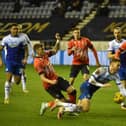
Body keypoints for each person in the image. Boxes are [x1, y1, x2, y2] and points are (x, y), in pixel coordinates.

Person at [41, 59, 126, 119]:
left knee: (79, 108)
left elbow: (121, 87)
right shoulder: (102, 70)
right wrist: (101, 85)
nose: (119, 67)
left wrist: (123, 95)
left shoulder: (116, 76)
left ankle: (61, 107)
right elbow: (91, 80)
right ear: (112, 64)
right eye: (117, 65)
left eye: (119, 65)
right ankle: (60, 104)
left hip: (91, 91)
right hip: (86, 86)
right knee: (86, 108)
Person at [33, 34, 77, 116]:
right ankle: (46, 105)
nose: (43, 49)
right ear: (37, 51)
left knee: (72, 91)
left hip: (57, 79)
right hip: (49, 85)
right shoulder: (37, 63)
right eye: (41, 49)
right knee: (63, 102)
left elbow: (55, 50)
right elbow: (42, 78)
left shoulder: (45, 54)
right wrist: (51, 82)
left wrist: (58, 41)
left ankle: (71, 110)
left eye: (43, 48)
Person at [0, 23, 28, 104]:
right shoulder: (6, 39)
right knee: (8, 79)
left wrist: (25, 58)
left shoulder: (22, 39)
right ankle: (6, 98)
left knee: (17, 82)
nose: (15, 30)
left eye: (16, 29)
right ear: (10, 30)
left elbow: (26, 50)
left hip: (19, 63)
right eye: (14, 29)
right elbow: (0, 49)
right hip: (9, 61)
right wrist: (0, 60)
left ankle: (13, 78)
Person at [11, 24, 33, 93]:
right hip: (15, 57)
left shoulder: (25, 36)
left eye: (20, 29)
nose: (19, 30)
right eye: (18, 29)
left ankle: (24, 88)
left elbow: (29, 43)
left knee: (22, 72)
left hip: (23, 57)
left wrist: (31, 52)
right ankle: (10, 86)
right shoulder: (12, 37)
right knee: (16, 72)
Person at [107, 27, 126, 108]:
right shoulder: (112, 43)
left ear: (121, 33)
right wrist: (117, 55)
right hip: (120, 67)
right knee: (123, 86)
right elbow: (109, 56)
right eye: (115, 33)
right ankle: (123, 103)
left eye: (118, 32)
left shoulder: (125, 42)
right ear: (113, 34)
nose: (117, 34)